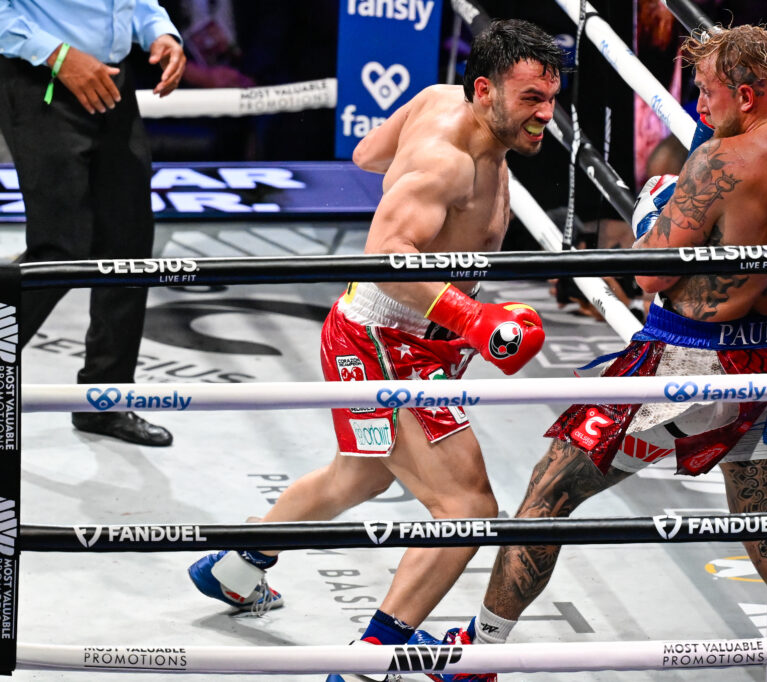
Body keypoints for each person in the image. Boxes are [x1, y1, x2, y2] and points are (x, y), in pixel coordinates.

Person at [410, 24, 767, 681]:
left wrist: (654, 213)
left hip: (689, 365)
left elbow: (649, 274)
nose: (698, 107)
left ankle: (479, 653)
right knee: (763, 527)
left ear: (746, 94)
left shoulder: (724, 159)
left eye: (707, 92)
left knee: (549, 490)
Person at [186, 16, 560, 673]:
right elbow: (387, 255)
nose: (546, 115)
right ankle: (375, 653)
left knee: (358, 475)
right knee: (467, 508)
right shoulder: (448, 163)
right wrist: (473, 317)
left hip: (395, 334)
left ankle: (238, 566)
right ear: (484, 91)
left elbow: (367, 156)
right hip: (389, 341)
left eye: (552, 98)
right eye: (532, 98)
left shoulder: (438, 99)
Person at [0, 0, 184, 446]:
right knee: (60, 247)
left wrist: (159, 32)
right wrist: (57, 54)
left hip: (112, 79)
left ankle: (104, 401)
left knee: (129, 245)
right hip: (41, 76)